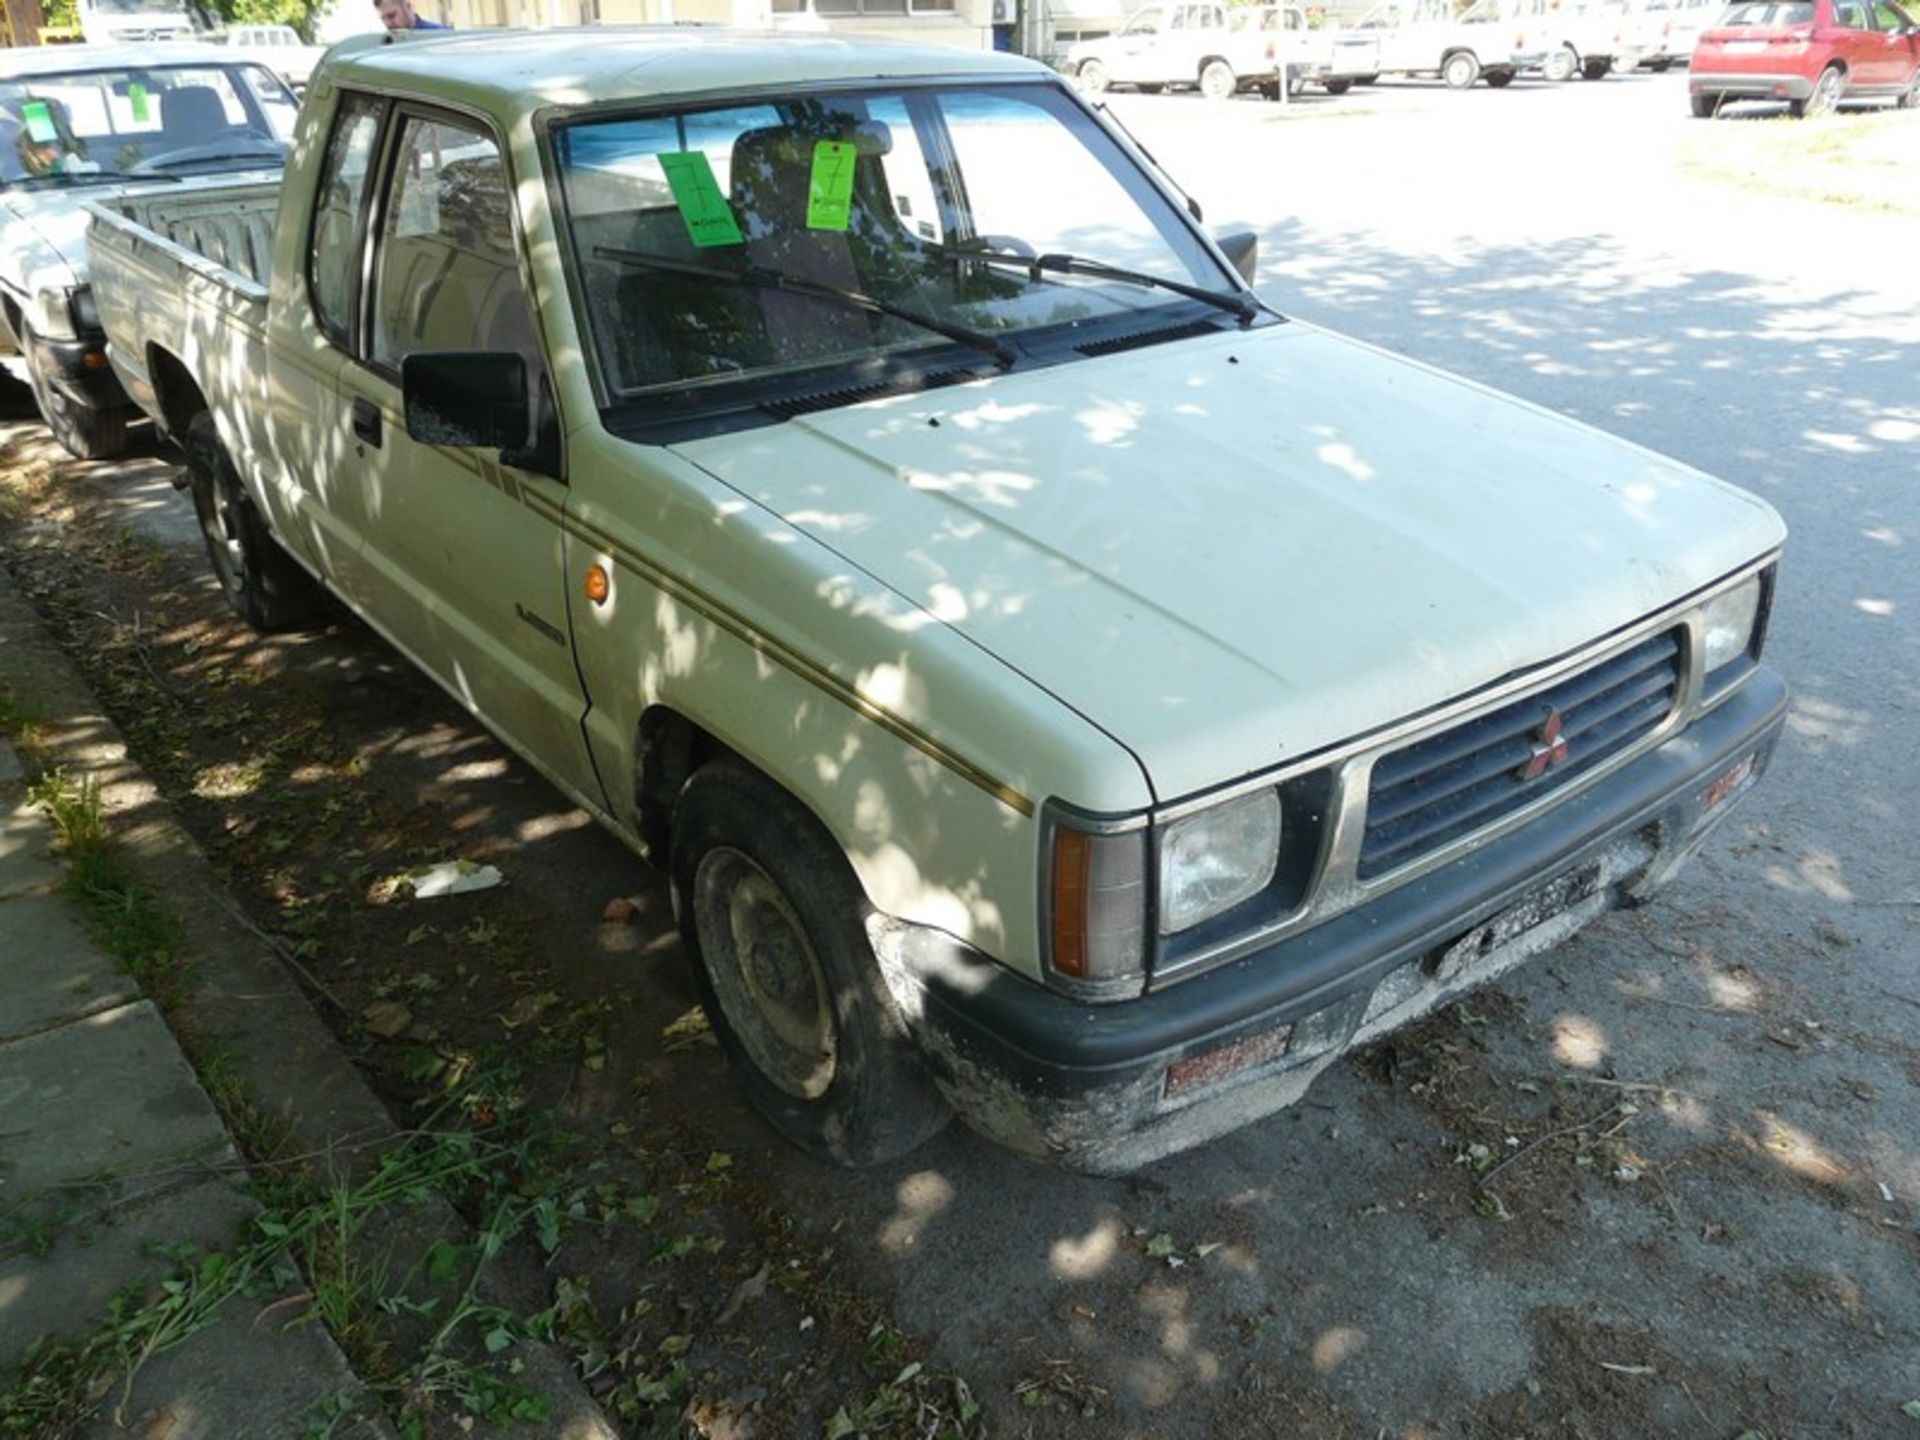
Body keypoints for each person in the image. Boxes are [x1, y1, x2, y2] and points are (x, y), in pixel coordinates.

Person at [375, 0, 450, 30]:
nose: (388, 24)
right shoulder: (388, 44)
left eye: (391, 16)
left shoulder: (440, 34)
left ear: (408, 7)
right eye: (383, 18)